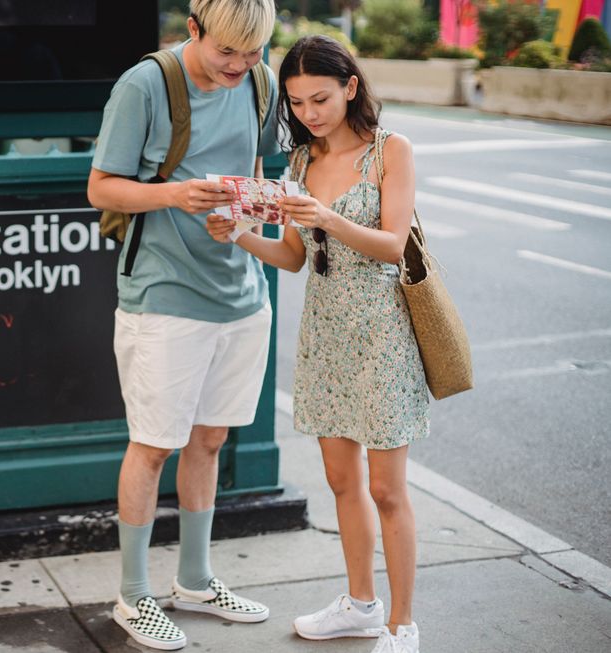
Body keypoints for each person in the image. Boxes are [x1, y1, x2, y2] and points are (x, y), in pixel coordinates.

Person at [205, 35, 429, 653]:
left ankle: (402, 625)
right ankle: (361, 604)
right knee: (340, 480)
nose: (309, 112)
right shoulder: (300, 165)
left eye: (321, 98)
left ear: (350, 87)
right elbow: (295, 257)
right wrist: (241, 234)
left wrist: (325, 216)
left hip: (383, 331)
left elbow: (392, 245)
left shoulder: (391, 151)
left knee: (387, 488)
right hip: (327, 332)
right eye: (298, 102)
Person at [87, 0, 280, 649]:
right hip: (165, 293)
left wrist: (250, 217)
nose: (240, 66)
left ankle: (195, 579)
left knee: (210, 440)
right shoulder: (145, 83)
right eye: (228, 52)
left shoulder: (260, 78)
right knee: (153, 443)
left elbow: (256, 173)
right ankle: (134, 595)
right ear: (192, 29)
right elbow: (100, 187)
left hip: (240, 293)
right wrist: (174, 193)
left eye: (252, 53)